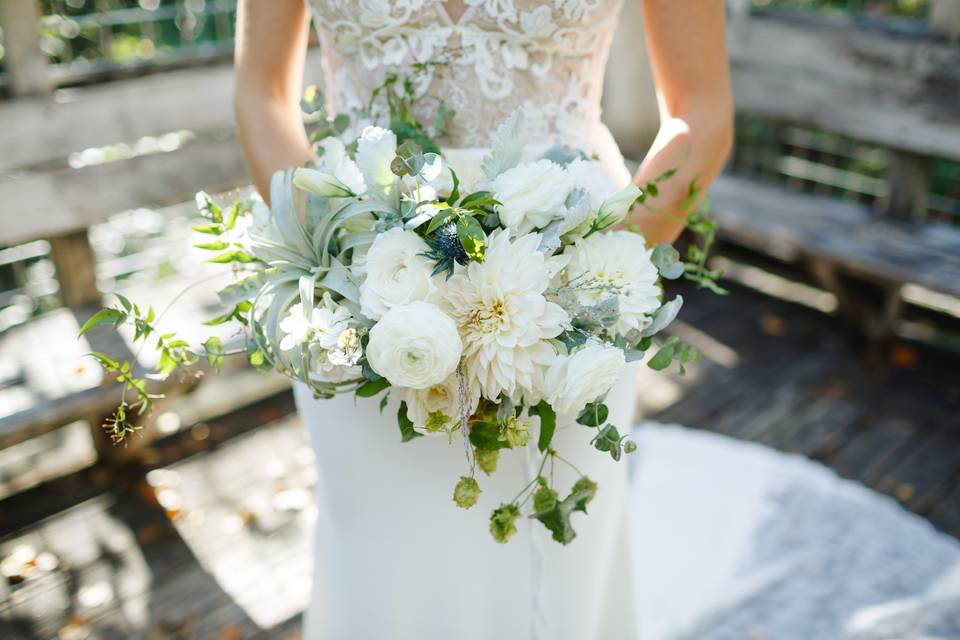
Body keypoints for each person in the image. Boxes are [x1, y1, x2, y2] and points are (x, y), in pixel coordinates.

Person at [234, 1, 732, 637]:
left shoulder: (577, 289)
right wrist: (341, 260)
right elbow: (262, 94)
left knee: (555, 557)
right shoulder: (352, 281)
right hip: (359, 289)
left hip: (569, 286)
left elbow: (701, 110)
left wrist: (589, 276)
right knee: (383, 560)